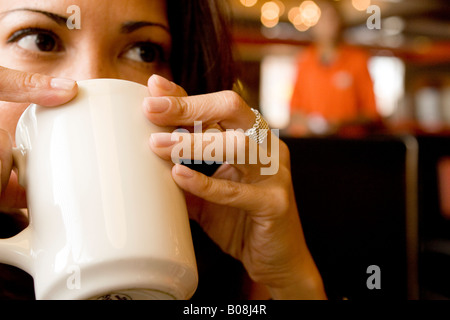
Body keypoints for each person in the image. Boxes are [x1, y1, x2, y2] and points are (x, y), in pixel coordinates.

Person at [0, 0, 326, 300]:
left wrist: (289, 279)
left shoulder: (224, 240)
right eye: (40, 40)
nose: (91, 83)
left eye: (144, 51)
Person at [289, 0, 381, 137]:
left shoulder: (357, 60)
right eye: (322, 19)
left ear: (340, 22)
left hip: (348, 142)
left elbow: (371, 113)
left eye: (331, 18)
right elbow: (294, 110)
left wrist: (339, 124)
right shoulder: (304, 61)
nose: (327, 24)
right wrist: (308, 123)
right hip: (311, 141)